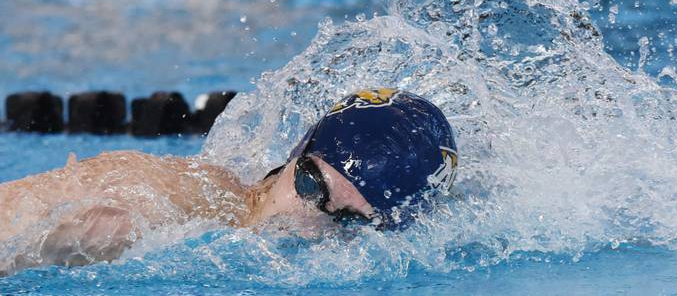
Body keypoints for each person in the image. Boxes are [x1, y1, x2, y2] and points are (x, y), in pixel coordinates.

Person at [0, 88, 458, 274]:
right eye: (311, 187)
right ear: (296, 155)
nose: (310, 222)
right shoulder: (165, 205)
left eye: (352, 221)